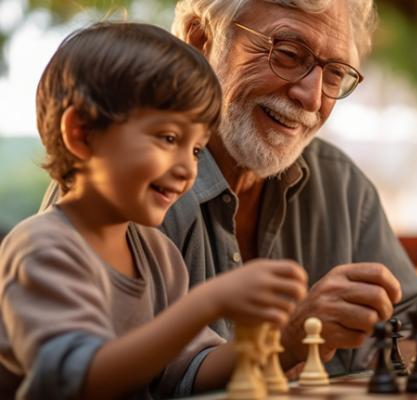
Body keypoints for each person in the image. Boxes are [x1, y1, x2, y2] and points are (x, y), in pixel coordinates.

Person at [2, 22, 308, 398]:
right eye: (168, 138)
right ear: (82, 134)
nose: (187, 169)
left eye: (196, 149)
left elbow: (189, 370)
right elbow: (77, 382)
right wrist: (207, 302)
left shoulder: (158, 255)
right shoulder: (43, 249)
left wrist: (290, 342)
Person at [165, 0, 417, 374]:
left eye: (336, 74)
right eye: (289, 54)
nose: (311, 97)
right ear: (201, 40)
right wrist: (290, 342)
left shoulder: (340, 185)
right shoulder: (125, 185)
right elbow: (94, 377)